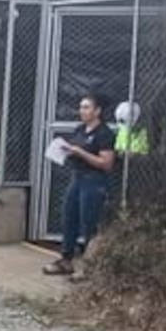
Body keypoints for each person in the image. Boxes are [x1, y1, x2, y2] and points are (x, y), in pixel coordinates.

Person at [44, 94, 116, 277]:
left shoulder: (104, 133)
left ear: (97, 111)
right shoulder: (80, 130)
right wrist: (66, 151)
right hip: (77, 178)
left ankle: (89, 265)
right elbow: (75, 149)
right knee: (69, 217)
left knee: (89, 222)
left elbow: (106, 163)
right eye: (81, 107)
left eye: (86, 107)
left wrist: (80, 152)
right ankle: (66, 260)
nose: (81, 111)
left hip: (94, 181)